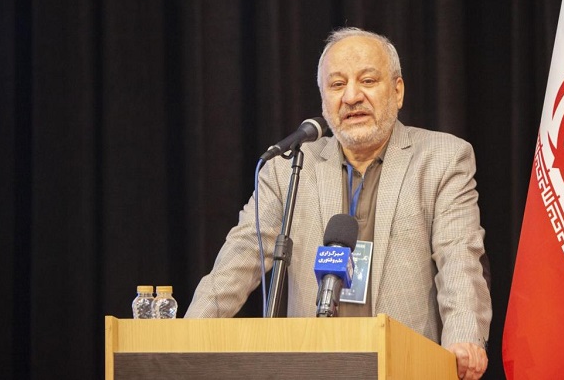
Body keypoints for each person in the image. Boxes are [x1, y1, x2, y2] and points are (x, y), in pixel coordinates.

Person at [186, 27, 492, 379]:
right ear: (323, 99)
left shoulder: (442, 159)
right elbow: (237, 262)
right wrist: (183, 338)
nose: (351, 96)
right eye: (336, 84)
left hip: (405, 367)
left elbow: (459, 259)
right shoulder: (289, 169)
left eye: (368, 80)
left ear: (398, 91)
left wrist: (463, 340)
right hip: (313, 369)